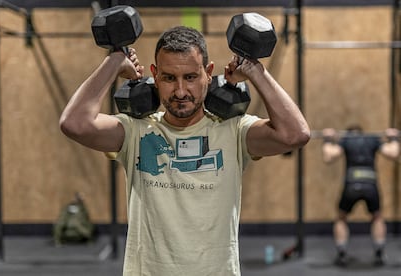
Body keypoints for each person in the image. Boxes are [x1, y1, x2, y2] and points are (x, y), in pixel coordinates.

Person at [60, 25, 310, 275]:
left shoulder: (233, 131)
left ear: (208, 74)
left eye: (190, 77)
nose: (180, 91)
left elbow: (295, 135)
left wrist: (255, 71)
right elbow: (74, 124)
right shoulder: (137, 131)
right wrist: (114, 62)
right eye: (169, 78)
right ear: (155, 76)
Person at [322, 125, 400, 267]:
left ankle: (341, 253)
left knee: (341, 217)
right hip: (370, 185)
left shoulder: (346, 140)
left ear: (349, 133)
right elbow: (393, 153)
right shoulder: (372, 139)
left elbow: (329, 156)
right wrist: (393, 137)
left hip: (351, 185)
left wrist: (328, 139)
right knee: (377, 216)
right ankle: (379, 252)